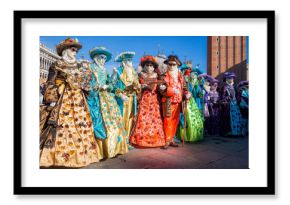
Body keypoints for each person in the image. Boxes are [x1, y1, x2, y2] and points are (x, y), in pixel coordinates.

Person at [39, 38, 100, 168]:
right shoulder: (57, 64)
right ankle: (61, 157)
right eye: (73, 49)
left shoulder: (79, 65)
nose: (75, 52)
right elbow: (50, 82)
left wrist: (87, 82)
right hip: (64, 98)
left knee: (81, 125)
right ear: (66, 50)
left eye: (76, 50)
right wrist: (51, 99)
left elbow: (87, 82)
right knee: (64, 127)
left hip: (78, 100)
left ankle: (81, 155)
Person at [86, 46, 128, 159]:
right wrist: (99, 87)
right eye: (101, 57)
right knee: (100, 121)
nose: (103, 59)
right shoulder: (91, 68)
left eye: (105, 58)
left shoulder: (104, 70)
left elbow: (110, 84)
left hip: (107, 98)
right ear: (95, 57)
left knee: (114, 121)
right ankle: (101, 151)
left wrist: (113, 76)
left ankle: (114, 148)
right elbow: (87, 84)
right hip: (96, 98)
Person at [130, 55, 166, 147]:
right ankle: (141, 139)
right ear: (144, 66)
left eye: (151, 65)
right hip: (144, 100)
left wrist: (162, 87)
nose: (149, 67)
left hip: (154, 100)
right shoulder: (140, 75)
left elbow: (161, 87)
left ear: (154, 67)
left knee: (155, 119)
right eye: (147, 65)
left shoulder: (157, 76)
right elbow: (135, 86)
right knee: (143, 119)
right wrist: (140, 87)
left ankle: (155, 140)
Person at [158, 55, 191, 149]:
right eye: (170, 64)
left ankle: (171, 138)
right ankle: (167, 140)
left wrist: (187, 94)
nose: (171, 66)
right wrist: (171, 90)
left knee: (175, 121)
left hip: (178, 102)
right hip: (168, 102)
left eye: (173, 64)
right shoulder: (163, 76)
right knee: (167, 121)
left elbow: (184, 88)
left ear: (177, 65)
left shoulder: (180, 76)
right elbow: (161, 89)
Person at [112, 51, 141, 148]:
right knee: (121, 118)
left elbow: (138, 86)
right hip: (122, 100)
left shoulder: (134, 73)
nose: (130, 62)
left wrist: (137, 88)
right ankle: (120, 141)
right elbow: (114, 86)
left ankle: (127, 140)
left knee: (130, 119)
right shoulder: (119, 71)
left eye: (131, 60)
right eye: (128, 60)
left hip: (132, 100)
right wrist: (120, 95)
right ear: (123, 62)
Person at [176, 64, 204, 142]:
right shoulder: (183, 82)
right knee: (185, 117)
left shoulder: (195, 85)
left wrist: (200, 93)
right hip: (185, 101)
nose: (192, 77)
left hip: (192, 102)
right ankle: (185, 135)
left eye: (194, 76)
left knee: (193, 117)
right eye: (191, 76)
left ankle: (194, 135)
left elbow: (197, 93)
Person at [220, 72, 243, 137]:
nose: (232, 79)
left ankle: (236, 132)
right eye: (230, 78)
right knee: (228, 119)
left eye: (232, 78)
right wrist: (227, 98)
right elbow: (222, 97)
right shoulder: (225, 87)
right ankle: (229, 132)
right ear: (226, 79)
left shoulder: (233, 87)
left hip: (235, 105)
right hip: (228, 106)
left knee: (236, 117)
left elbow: (236, 96)